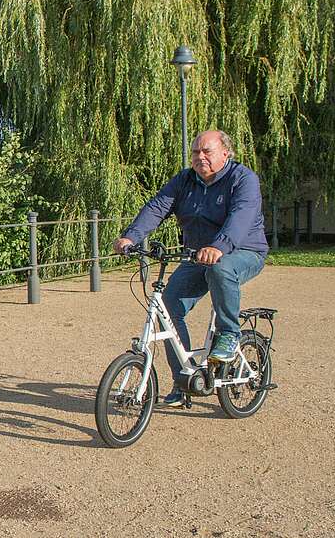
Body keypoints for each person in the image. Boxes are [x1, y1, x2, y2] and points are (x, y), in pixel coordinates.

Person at [112, 129, 267, 407]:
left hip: (243, 251)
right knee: (168, 307)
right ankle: (183, 381)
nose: (200, 157)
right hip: (198, 255)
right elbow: (157, 207)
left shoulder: (243, 179)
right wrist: (131, 236)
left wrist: (219, 246)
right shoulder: (184, 180)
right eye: (196, 152)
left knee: (220, 269)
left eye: (207, 151)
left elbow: (240, 218)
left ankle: (229, 333)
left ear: (225, 153)